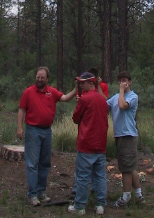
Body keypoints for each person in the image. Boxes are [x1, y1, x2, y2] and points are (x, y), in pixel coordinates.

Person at [17, 66, 77, 206]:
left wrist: (76, 89)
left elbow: (64, 98)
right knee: (32, 163)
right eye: (38, 77)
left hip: (47, 131)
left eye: (42, 77)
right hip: (32, 130)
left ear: (47, 79)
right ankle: (32, 194)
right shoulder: (28, 92)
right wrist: (19, 127)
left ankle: (41, 192)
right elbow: (21, 109)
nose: (39, 79)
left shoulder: (52, 92)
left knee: (45, 163)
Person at [69, 72, 109, 216]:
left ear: (91, 83)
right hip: (100, 143)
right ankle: (100, 205)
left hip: (86, 143)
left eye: (83, 83)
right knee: (100, 176)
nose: (80, 85)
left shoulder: (85, 99)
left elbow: (75, 118)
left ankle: (80, 206)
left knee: (83, 176)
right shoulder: (103, 100)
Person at [106, 71, 145, 208]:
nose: (122, 82)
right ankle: (139, 195)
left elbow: (122, 106)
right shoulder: (116, 97)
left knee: (126, 168)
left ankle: (126, 197)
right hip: (119, 135)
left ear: (129, 82)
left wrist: (122, 90)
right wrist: (98, 87)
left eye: (125, 80)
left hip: (127, 135)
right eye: (120, 80)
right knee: (131, 166)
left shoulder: (133, 97)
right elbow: (104, 105)